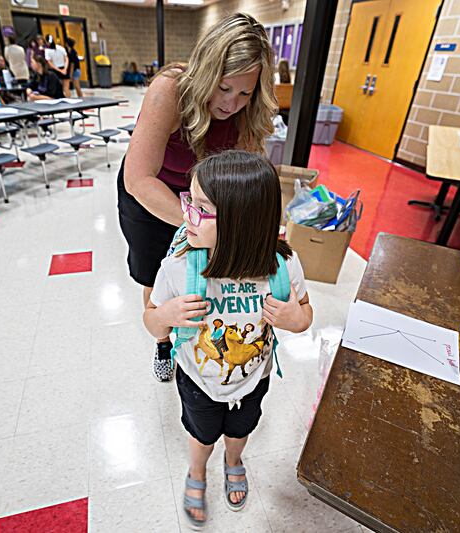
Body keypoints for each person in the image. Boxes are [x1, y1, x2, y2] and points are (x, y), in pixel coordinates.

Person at [143, 150, 312, 529]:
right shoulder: (180, 267)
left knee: (241, 429)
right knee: (201, 433)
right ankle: (197, 473)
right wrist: (165, 317)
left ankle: (233, 462)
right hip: (199, 380)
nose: (187, 214)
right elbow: (152, 323)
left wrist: (297, 319)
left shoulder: (281, 266)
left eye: (201, 208)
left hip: (254, 377)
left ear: (242, 221)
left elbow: (305, 311)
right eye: (190, 200)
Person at [118, 12, 277, 383]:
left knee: (203, 272)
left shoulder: (248, 111)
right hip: (152, 193)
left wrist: (258, 227)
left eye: (244, 92)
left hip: (204, 199)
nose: (231, 103)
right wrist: (200, 226)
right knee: (156, 274)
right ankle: (162, 342)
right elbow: (138, 179)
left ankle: (198, 340)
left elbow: (250, 181)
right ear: (207, 70)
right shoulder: (170, 90)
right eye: (224, 87)